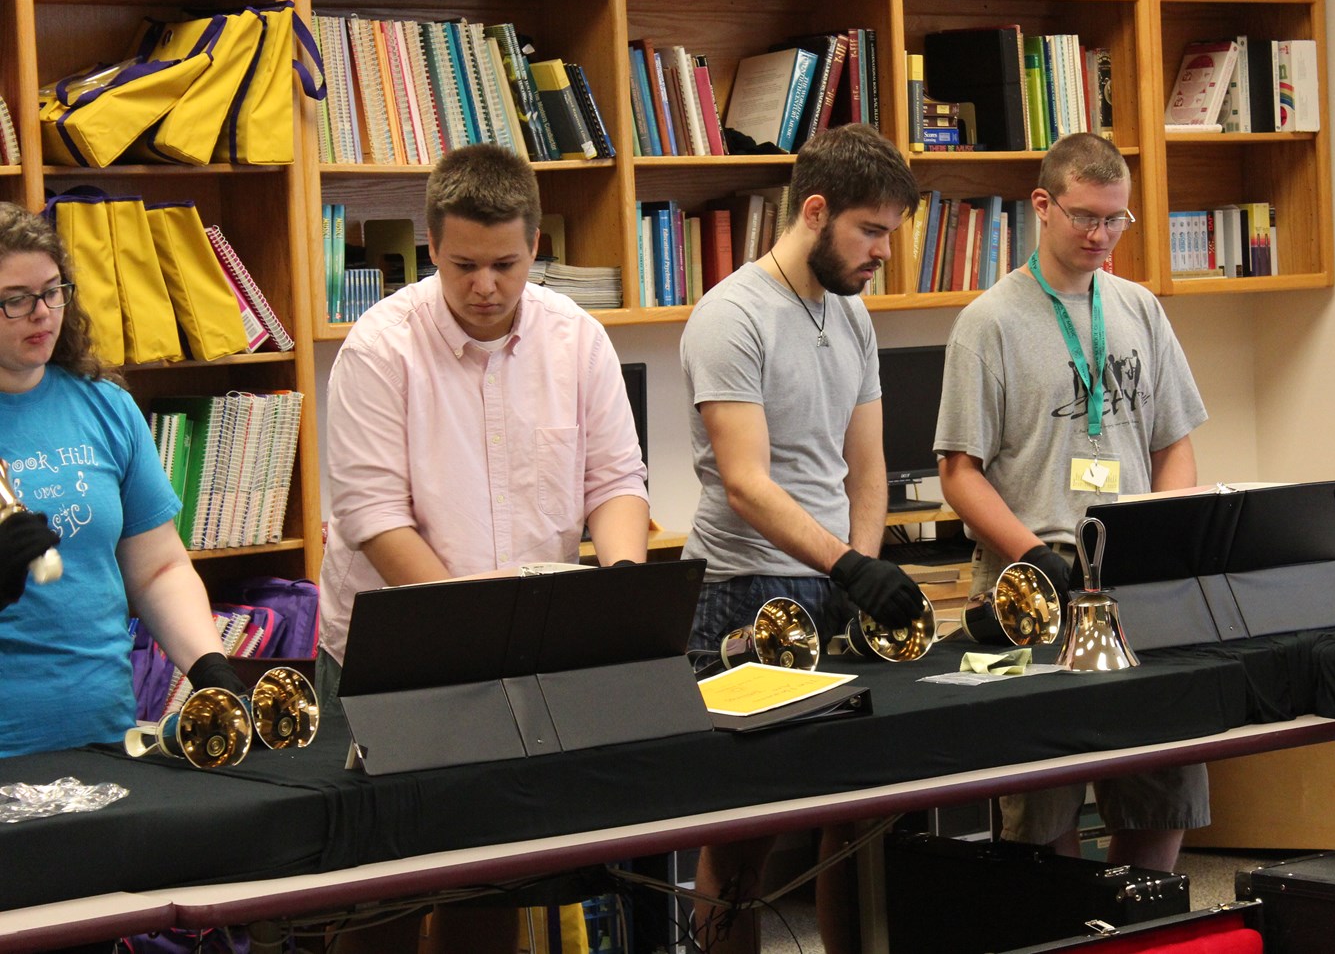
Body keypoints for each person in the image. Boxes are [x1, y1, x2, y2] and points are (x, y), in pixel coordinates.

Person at [317, 143, 649, 953]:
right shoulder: (379, 348)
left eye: (506, 264)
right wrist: (476, 630)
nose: (486, 286)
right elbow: (375, 518)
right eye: (464, 265)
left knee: (492, 886)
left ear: (536, 244)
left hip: (520, 655)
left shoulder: (577, 339)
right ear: (432, 244)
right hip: (393, 658)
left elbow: (615, 481)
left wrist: (622, 597)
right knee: (381, 901)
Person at [935, 132, 1210, 872]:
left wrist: (1167, 532)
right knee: (1041, 810)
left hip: (1132, 581)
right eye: (1085, 216)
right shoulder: (989, 322)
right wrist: (1033, 553)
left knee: (1162, 787)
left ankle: (1138, 923)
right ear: (1043, 205)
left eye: (1115, 219)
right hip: (1035, 579)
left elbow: (1173, 442)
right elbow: (959, 473)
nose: (1100, 235)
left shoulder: (1139, 308)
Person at [679, 123, 923, 953]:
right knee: (743, 837)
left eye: (890, 232)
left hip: (830, 582)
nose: (883, 251)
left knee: (856, 819)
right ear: (814, 211)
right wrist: (848, 562)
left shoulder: (851, 313)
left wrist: (864, 569)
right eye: (870, 230)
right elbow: (746, 482)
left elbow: (866, 466)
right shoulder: (731, 315)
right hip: (742, 591)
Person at [0, 203, 249, 761]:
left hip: (105, 733)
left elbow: (158, 568)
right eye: (16, 299)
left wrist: (210, 668)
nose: (41, 313)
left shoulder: (105, 406)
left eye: (52, 291)